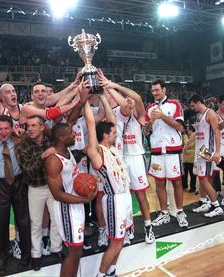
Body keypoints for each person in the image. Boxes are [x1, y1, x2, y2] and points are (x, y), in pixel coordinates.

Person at [100, 77, 155, 244]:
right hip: (118, 159)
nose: (128, 101)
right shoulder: (114, 114)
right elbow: (123, 106)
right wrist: (107, 90)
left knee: (140, 194)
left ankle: (148, 226)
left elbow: (137, 99)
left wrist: (112, 85)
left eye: (129, 98)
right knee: (123, 197)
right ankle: (127, 228)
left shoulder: (139, 115)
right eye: (125, 99)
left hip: (135, 157)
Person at [84, 99, 130, 277]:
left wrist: (103, 96)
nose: (116, 134)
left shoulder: (114, 149)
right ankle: (100, 275)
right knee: (116, 242)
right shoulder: (98, 153)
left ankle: (111, 272)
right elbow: (90, 123)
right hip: (114, 200)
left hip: (124, 197)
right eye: (113, 132)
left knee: (121, 240)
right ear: (105, 135)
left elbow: (111, 118)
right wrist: (84, 100)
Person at [45, 123, 97, 277]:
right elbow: (57, 194)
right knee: (74, 252)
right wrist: (84, 200)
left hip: (76, 205)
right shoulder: (53, 161)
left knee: (77, 251)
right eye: (71, 133)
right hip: (66, 209)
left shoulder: (66, 150)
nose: (74, 135)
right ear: (62, 138)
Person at [14, 115, 60, 271]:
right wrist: (43, 155)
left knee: (56, 219)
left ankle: (56, 249)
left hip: (53, 187)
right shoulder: (22, 146)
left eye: (34, 126)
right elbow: (29, 170)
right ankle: (36, 255)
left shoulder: (50, 141)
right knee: (36, 224)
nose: (30, 129)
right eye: (28, 126)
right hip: (35, 188)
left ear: (42, 127)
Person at [0, 115, 31, 275]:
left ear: (12, 127)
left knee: (24, 221)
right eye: (0, 128)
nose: (3, 132)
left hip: (20, 182)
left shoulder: (20, 140)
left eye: (6, 128)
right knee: (0, 224)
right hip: (0, 185)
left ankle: (27, 256)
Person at [145, 79, 187, 227]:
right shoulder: (149, 108)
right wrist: (150, 121)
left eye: (157, 90)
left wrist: (162, 116)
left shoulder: (175, 104)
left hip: (173, 150)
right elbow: (146, 131)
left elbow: (180, 127)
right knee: (159, 183)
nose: (155, 93)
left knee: (177, 182)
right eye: (153, 91)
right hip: (156, 151)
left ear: (164, 90)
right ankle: (164, 213)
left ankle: (180, 211)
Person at [189, 95, 224, 217]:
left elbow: (217, 133)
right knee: (202, 178)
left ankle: (216, 206)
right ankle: (204, 201)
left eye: (193, 105)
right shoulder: (199, 116)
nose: (192, 108)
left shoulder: (211, 114)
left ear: (199, 102)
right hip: (199, 151)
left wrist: (218, 152)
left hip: (207, 151)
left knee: (204, 179)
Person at [182, 125, 196, 193]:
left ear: (191, 130)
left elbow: (188, 145)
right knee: (186, 174)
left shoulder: (194, 136)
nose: (187, 131)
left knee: (192, 174)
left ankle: (192, 188)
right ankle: (186, 186)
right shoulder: (189, 136)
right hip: (186, 159)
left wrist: (184, 147)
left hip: (191, 159)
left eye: (187, 129)